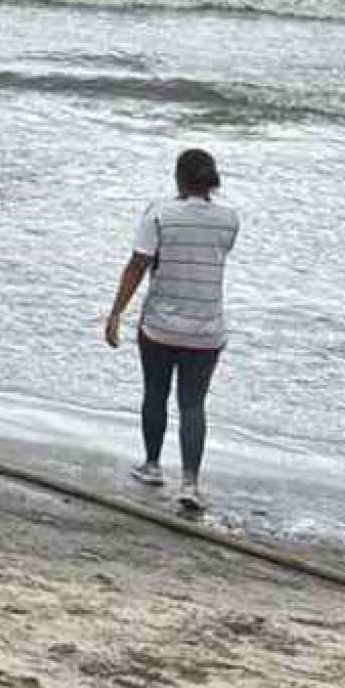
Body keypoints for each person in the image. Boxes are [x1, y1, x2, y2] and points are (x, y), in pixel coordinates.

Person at [104, 149, 239, 511]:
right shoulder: (229, 219)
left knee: (155, 393)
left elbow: (138, 264)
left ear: (179, 178)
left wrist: (115, 313)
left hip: (161, 325)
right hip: (207, 327)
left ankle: (151, 465)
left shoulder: (160, 214)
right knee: (193, 404)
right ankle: (191, 483)